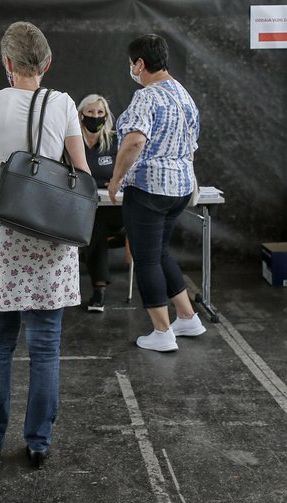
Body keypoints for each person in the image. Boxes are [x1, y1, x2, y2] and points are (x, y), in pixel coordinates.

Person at [0, 21, 90, 469]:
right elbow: (80, 171)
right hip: (52, 235)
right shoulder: (65, 103)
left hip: (1, 235)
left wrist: (0, 169)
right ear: (46, 63)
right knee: (46, 345)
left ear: (7, 63)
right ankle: (38, 442)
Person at [107, 34, 206, 353]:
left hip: (150, 187)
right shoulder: (183, 94)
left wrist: (116, 178)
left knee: (145, 257)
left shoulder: (147, 96)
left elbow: (134, 142)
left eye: (131, 64)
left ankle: (162, 332)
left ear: (140, 63)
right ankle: (187, 317)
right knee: (160, 251)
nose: (131, 70)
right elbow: (192, 144)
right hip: (180, 187)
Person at [77, 94, 123, 312]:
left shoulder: (114, 141)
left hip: (114, 210)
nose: (95, 117)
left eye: (100, 113)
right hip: (79, 209)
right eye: (91, 112)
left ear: (106, 116)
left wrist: (111, 180)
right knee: (94, 223)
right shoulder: (71, 141)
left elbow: (122, 175)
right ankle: (99, 287)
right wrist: (101, 181)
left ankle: (99, 287)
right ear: (81, 114)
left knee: (97, 223)